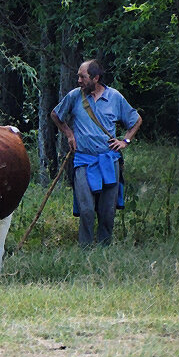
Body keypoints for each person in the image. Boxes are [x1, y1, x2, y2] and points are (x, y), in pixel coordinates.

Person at [49, 59, 142, 247]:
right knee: (86, 209)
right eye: (78, 76)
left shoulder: (114, 97)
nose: (79, 80)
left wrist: (125, 141)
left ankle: (104, 249)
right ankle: (85, 249)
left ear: (96, 78)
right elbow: (55, 115)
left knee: (107, 210)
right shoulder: (75, 96)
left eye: (83, 77)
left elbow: (136, 120)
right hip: (83, 160)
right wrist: (69, 134)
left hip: (109, 160)